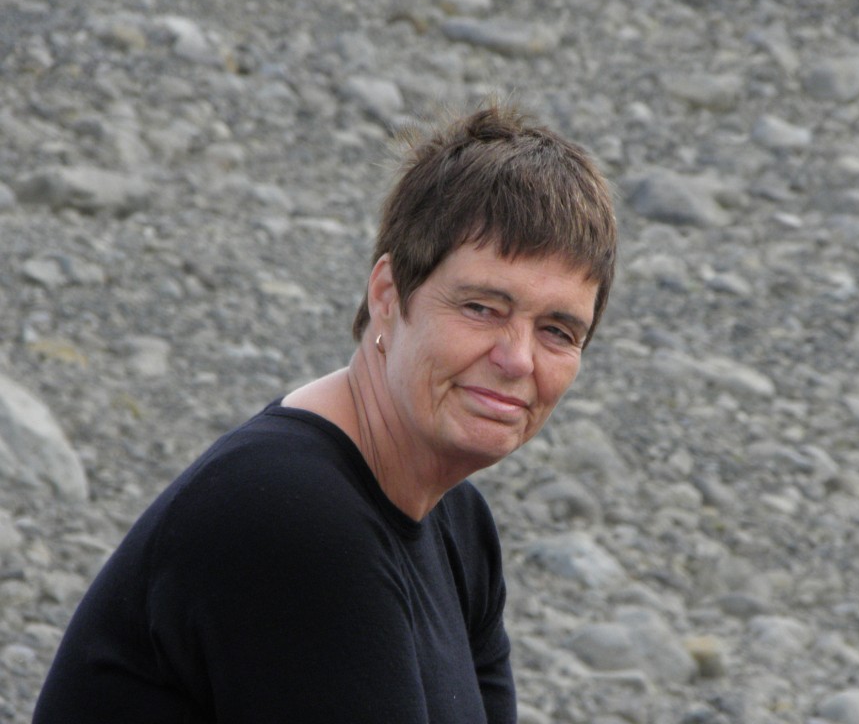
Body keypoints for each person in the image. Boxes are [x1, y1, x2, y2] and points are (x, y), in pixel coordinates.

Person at [33, 103, 617, 723]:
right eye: (481, 308)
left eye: (558, 331)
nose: (518, 359)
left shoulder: (459, 527)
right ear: (387, 295)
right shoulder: (292, 514)